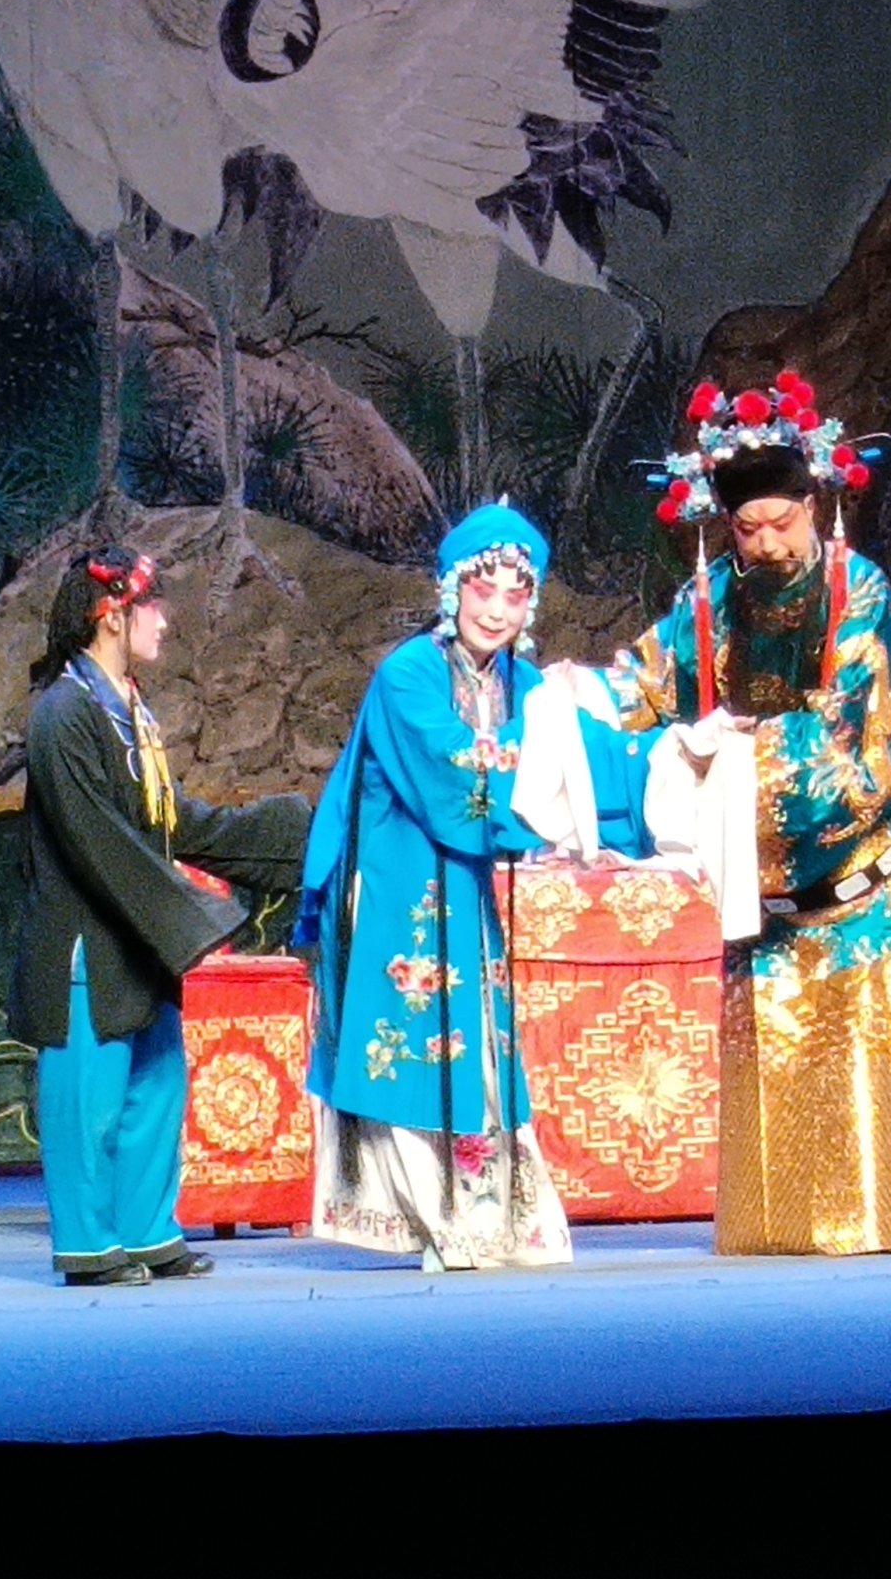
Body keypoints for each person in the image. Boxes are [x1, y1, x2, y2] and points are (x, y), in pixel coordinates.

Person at [610, 372, 891, 1255]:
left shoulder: (860, 595)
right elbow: (646, 687)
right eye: (748, 528)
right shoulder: (712, 599)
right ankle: (774, 1222)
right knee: (773, 1041)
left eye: (782, 523)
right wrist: (586, 709)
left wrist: (729, 757)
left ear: (814, 507)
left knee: (859, 1034)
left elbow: (857, 746)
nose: (766, 544)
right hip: (760, 873)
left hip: (861, 866)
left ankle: (876, 1218)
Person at [15, 545, 312, 1286]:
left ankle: (147, 1230)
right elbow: (99, 841)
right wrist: (193, 917)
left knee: (156, 1084)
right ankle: (88, 1243)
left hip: (137, 932)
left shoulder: (128, 709)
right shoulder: (63, 713)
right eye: (153, 606)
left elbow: (168, 822)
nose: (164, 622)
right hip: (87, 936)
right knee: (90, 1097)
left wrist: (289, 836)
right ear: (111, 615)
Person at [297, 503, 575, 1270]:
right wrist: (546, 730)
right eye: (483, 589)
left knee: (476, 1039)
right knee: (414, 1039)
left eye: (515, 594)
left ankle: (492, 1219)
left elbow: (567, 757)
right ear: (452, 589)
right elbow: (457, 771)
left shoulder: (521, 680)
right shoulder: (409, 673)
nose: (497, 609)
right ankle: (443, 1222)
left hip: (463, 883)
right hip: (395, 880)